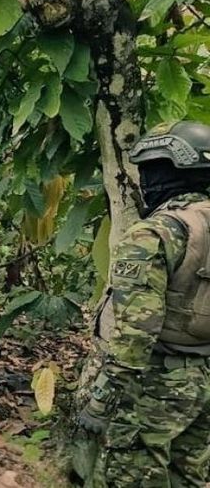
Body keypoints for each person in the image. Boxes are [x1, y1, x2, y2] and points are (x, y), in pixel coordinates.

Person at [76, 121, 210, 487]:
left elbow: (136, 334)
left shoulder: (155, 234)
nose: (144, 182)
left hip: (154, 382)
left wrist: (101, 400)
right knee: (190, 476)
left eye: (149, 170)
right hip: (202, 376)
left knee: (130, 475)